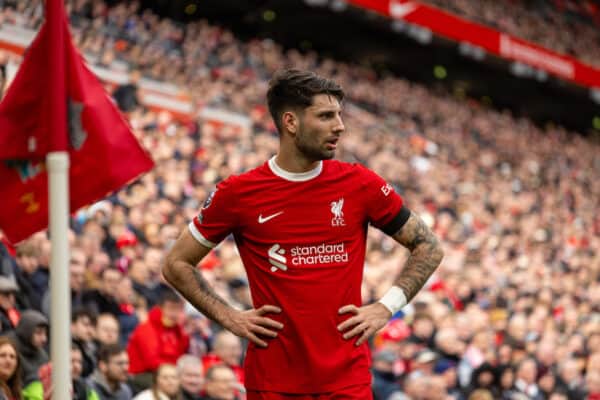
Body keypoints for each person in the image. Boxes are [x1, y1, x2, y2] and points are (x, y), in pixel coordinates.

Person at [163, 69, 444, 399]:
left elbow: (428, 245)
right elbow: (176, 263)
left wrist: (386, 306)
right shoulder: (239, 193)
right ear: (290, 122)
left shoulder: (360, 184)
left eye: (339, 115)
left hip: (346, 380)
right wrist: (230, 318)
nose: (339, 126)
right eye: (325, 116)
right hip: (273, 382)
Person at [127, 290, 189, 389]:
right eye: (170, 309)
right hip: (144, 374)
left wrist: (185, 334)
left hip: (167, 373)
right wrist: (176, 371)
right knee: (177, 386)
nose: (174, 314)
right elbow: (151, 362)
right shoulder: (147, 329)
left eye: (178, 309)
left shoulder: (177, 330)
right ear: (160, 308)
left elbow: (181, 354)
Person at [6, 310, 48, 384]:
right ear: (26, 331)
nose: (44, 339)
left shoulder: (42, 354)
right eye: (39, 333)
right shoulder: (8, 348)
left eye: (45, 333)